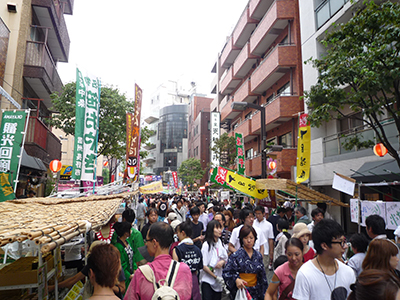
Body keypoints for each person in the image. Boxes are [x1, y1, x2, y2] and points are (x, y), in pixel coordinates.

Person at [125, 222, 192, 300]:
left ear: (154, 243)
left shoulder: (142, 273)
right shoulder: (184, 270)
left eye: (147, 240)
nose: (146, 244)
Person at [292, 219, 356, 300]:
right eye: (340, 242)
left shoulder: (348, 272)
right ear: (324, 246)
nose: (345, 246)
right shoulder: (305, 274)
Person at [49, 241, 125, 298]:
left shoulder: (93, 265)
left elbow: (74, 279)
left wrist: (53, 287)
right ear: (117, 272)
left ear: (91, 274)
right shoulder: (114, 264)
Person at [223, 225, 268, 300]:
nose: (249, 241)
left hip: (256, 291)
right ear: (241, 239)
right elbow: (226, 273)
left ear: (255, 239)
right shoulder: (236, 255)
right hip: (241, 291)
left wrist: (264, 292)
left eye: (251, 238)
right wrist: (236, 280)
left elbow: (262, 276)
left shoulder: (258, 255)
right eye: (246, 238)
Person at [173, 220, 203, 300]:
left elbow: (175, 269)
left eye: (178, 233)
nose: (177, 235)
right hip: (194, 280)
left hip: (181, 281)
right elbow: (199, 268)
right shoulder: (197, 249)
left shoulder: (177, 249)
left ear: (183, 233)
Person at [200, 220, 228, 300]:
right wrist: (215, 277)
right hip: (208, 280)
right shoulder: (206, 245)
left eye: (220, 228)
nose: (220, 230)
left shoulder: (220, 243)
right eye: (217, 228)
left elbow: (225, 258)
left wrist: (222, 262)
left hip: (218, 281)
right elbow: (204, 266)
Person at [113, 222, 135, 290]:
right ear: (126, 233)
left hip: (132, 274)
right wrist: (129, 276)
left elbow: (133, 257)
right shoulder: (118, 246)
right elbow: (122, 264)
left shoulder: (128, 242)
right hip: (125, 279)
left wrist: (135, 269)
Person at [254, 205, 274, 275]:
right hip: (254, 251)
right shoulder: (253, 223)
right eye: (256, 213)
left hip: (265, 252)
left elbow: (270, 239)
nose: (257, 215)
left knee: (264, 271)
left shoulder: (269, 225)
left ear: (263, 214)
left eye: (259, 213)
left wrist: (271, 252)